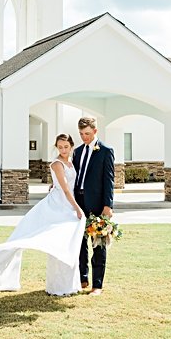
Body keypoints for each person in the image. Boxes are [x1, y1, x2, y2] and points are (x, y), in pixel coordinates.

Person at [0, 134, 85, 296]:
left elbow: (65, 182)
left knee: (63, 243)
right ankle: (58, 287)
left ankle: (69, 284)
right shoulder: (57, 163)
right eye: (60, 147)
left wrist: (55, 185)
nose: (63, 150)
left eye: (66, 147)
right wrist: (77, 208)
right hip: (59, 205)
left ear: (71, 146)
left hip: (66, 204)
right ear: (56, 147)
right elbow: (65, 189)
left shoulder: (70, 161)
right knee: (43, 241)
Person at [72, 116, 115, 296]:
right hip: (78, 203)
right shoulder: (78, 151)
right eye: (81, 134)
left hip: (98, 205)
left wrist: (108, 205)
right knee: (79, 243)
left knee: (98, 245)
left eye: (87, 134)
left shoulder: (106, 151)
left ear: (95, 131)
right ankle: (83, 278)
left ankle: (97, 285)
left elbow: (109, 180)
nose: (84, 138)